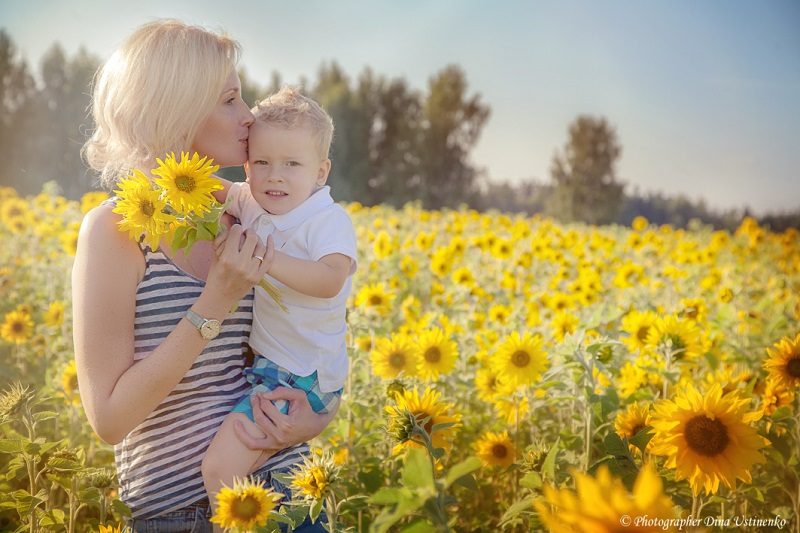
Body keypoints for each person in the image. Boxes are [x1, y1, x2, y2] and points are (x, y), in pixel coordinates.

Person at [73, 20, 334, 532]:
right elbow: (109, 419)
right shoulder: (114, 229)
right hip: (176, 515)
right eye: (231, 100)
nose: (249, 115)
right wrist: (215, 302)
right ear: (177, 111)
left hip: (284, 491)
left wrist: (318, 416)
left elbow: (306, 343)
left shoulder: (248, 212)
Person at [200, 86, 357, 520]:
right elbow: (214, 187)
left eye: (292, 164)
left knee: (220, 468)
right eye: (262, 163)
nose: (275, 176)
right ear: (247, 165)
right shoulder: (251, 202)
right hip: (272, 368)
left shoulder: (326, 219)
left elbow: (329, 280)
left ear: (320, 172)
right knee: (249, 473)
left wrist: (266, 259)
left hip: (304, 377)